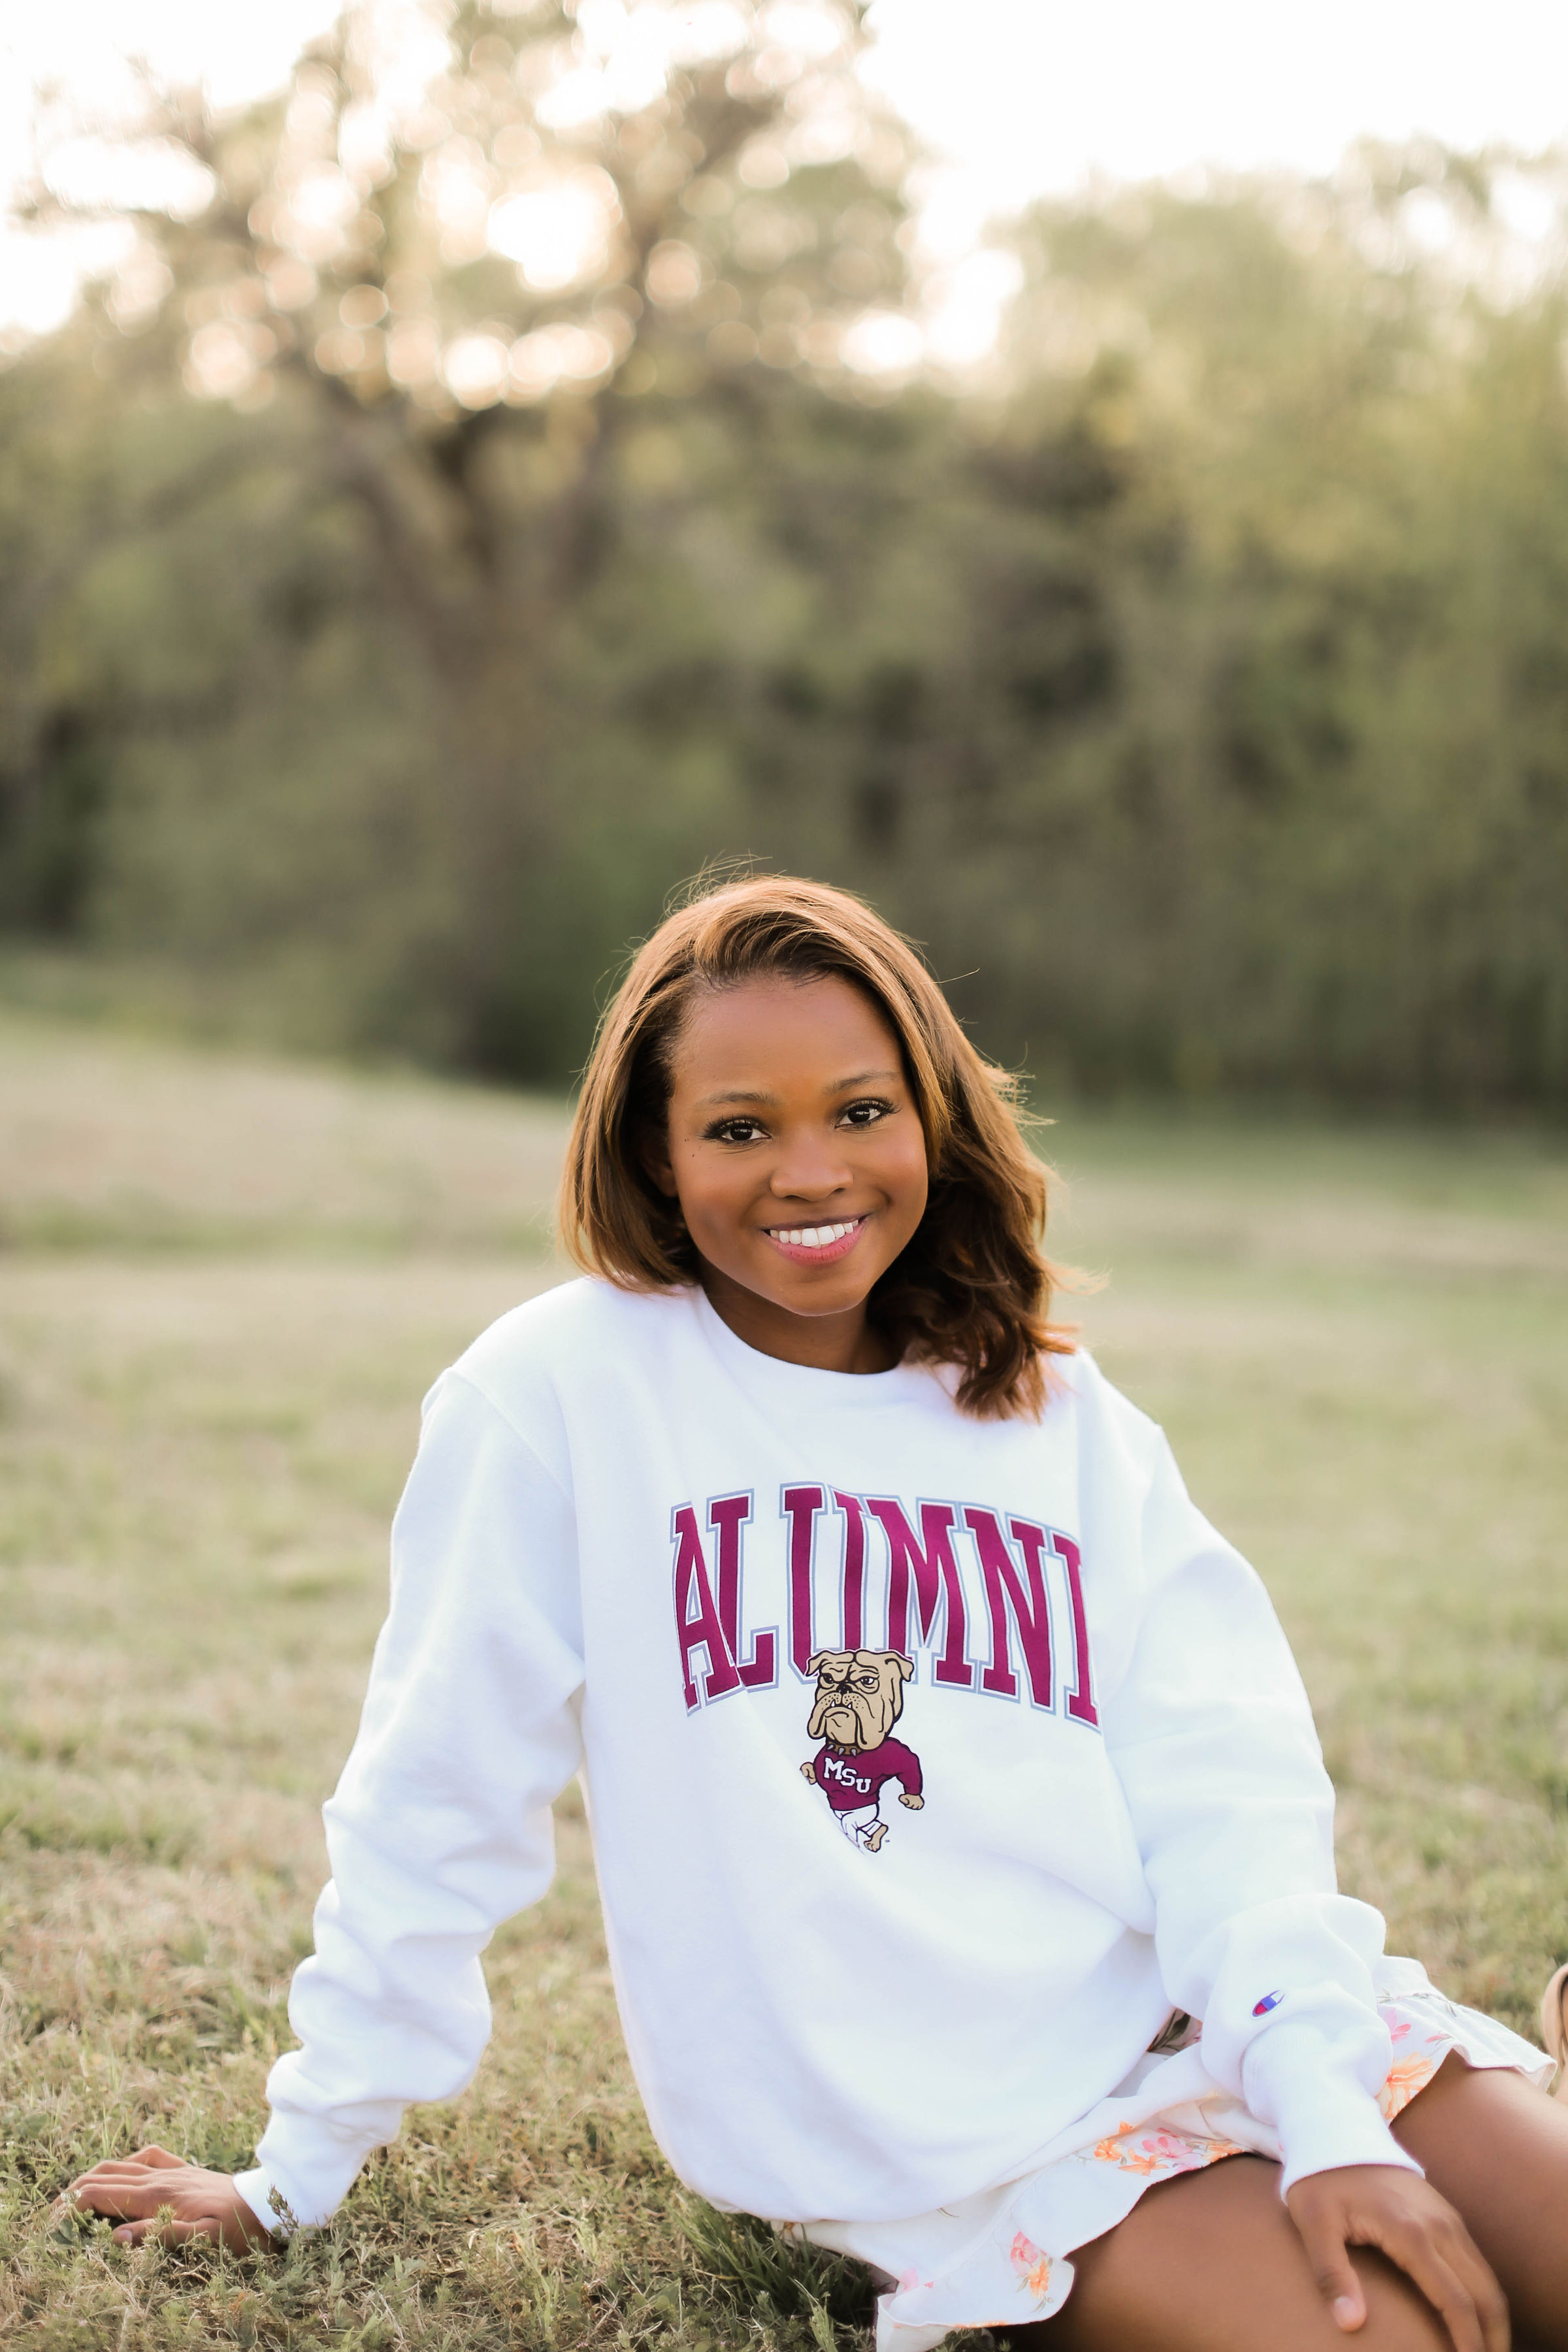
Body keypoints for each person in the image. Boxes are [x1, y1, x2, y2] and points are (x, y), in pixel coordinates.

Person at [71, 878, 1568, 2352]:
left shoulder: (1055, 1412)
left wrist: (1320, 2099)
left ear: (932, 1120)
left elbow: (1221, 1775)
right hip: (965, 2148)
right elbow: (436, 1801)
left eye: (861, 1111)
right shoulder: (559, 1399)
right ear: (655, 1154)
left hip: (1214, 2014)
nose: (811, 1172)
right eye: (740, 1128)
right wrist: (299, 2169)